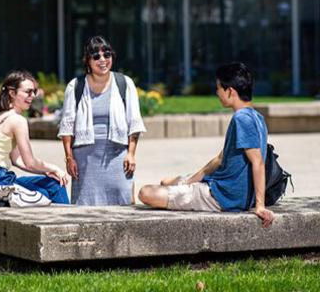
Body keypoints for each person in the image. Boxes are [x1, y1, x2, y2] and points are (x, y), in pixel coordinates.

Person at [138, 62, 275, 228]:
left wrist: (259, 206)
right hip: (220, 186)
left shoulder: (242, 119)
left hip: (221, 197)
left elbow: (258, 162)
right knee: (166, 181)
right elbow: (219, 159)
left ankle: (188, 188)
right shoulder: (257, 117)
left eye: (219, 88)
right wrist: (189, 181)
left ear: (230, 91)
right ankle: (186, 184)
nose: (217, 92)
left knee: (145, 193)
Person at [58, 36, 146, 205]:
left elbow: (134, 122)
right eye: (96, 56)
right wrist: (69, 158)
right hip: (85, 161)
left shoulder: (125, 83)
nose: (103, 60)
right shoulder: (75, 86)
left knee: (123, 204)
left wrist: (131, 153)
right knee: (85, 209)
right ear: (88, 60)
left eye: (107, 54)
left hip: (117, 155)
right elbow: (67, 127)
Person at [0, 70, 70, 207]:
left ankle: (7, 194)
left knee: (46, 188)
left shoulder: (0, 117)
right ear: (12, 93)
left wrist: (45, 171)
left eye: (34, 91)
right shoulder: (17, 120)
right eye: (28, 92)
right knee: (55, 186)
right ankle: (67, 222)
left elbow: (16, 160)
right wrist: (55, 168)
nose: (32, 96)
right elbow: (30, 162)